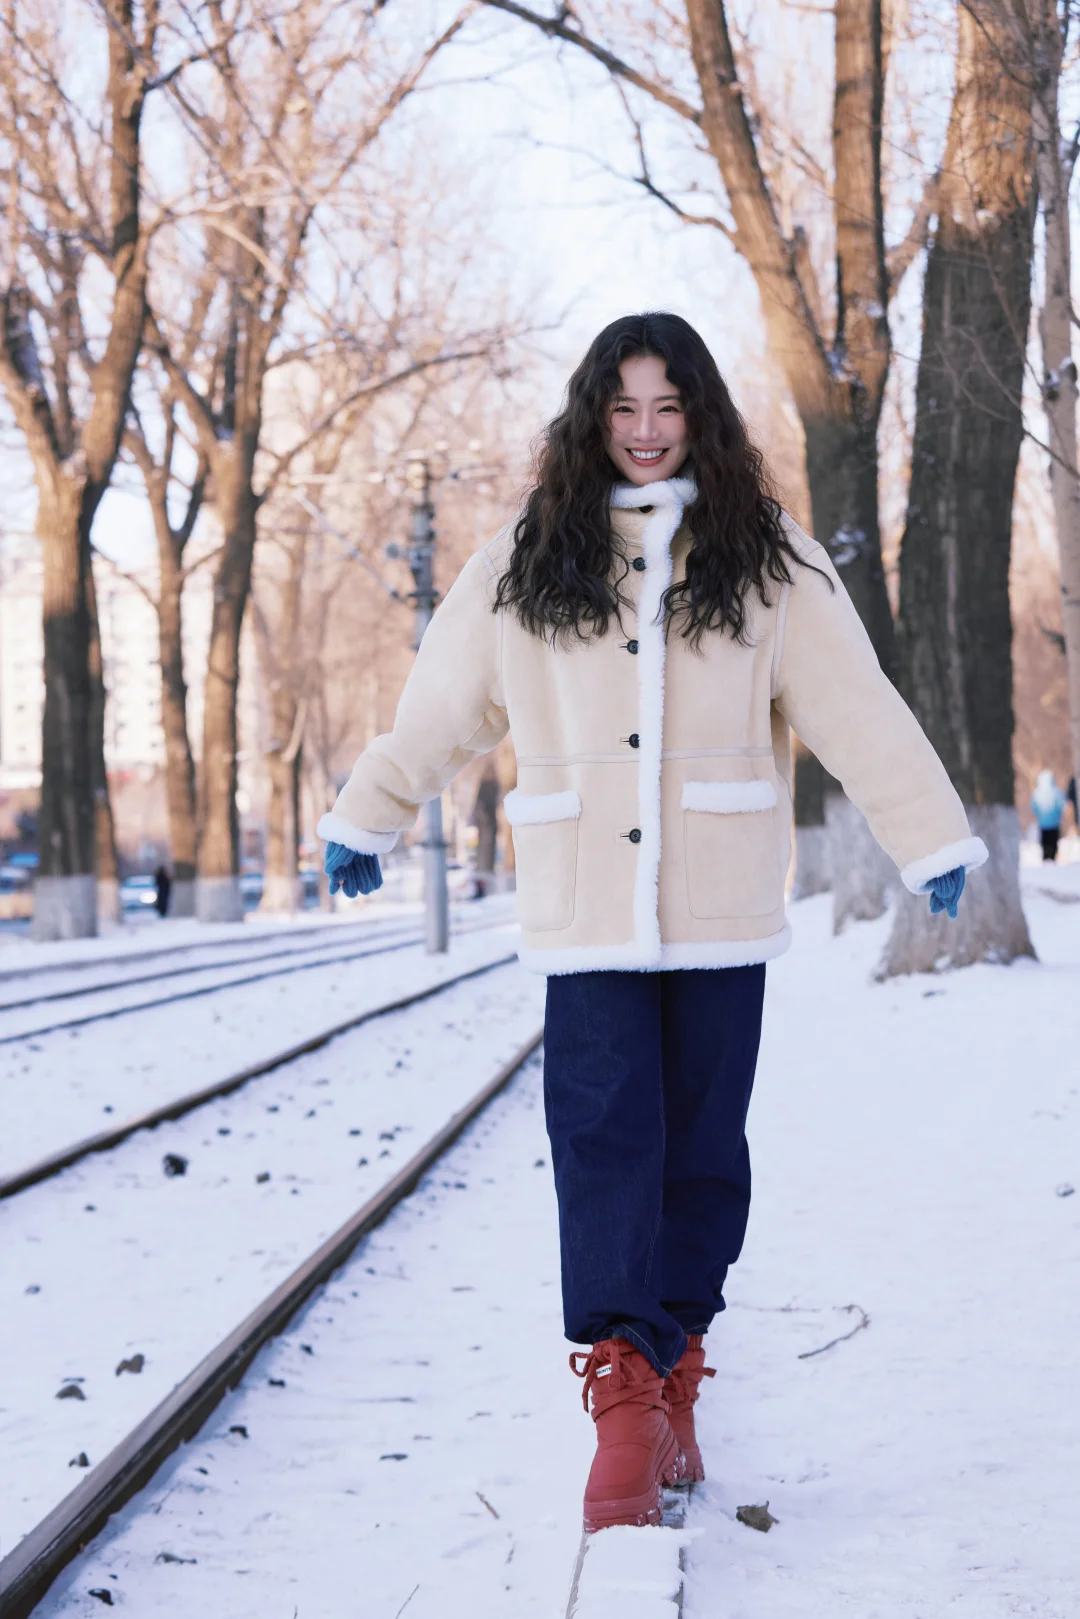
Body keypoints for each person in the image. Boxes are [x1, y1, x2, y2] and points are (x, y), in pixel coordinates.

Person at [319, 314, 987, 1532]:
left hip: (722, 899)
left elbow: (856, 705)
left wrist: (929, 834)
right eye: (623, 407)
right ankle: (624, 1391)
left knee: (702, 1146)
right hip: (584, 907)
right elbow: (442, 705)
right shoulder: (529, 555)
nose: (643, 430)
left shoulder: (764, 553)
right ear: (592, 417)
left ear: (700, 416)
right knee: (601, 1136)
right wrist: (373, 810)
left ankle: (680, 1360)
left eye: (667, 406)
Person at [1031, 769, 1067, 862]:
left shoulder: (1037, 792)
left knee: (1045, 840)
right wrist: (1058, 815)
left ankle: (1046, 856)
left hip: (1042, 823)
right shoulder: (1056, 791)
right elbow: (1062, 805)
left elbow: (1033, 806)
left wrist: (1039, 816)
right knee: (1053, 840)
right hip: (1054, 823)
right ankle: (1052, 856)